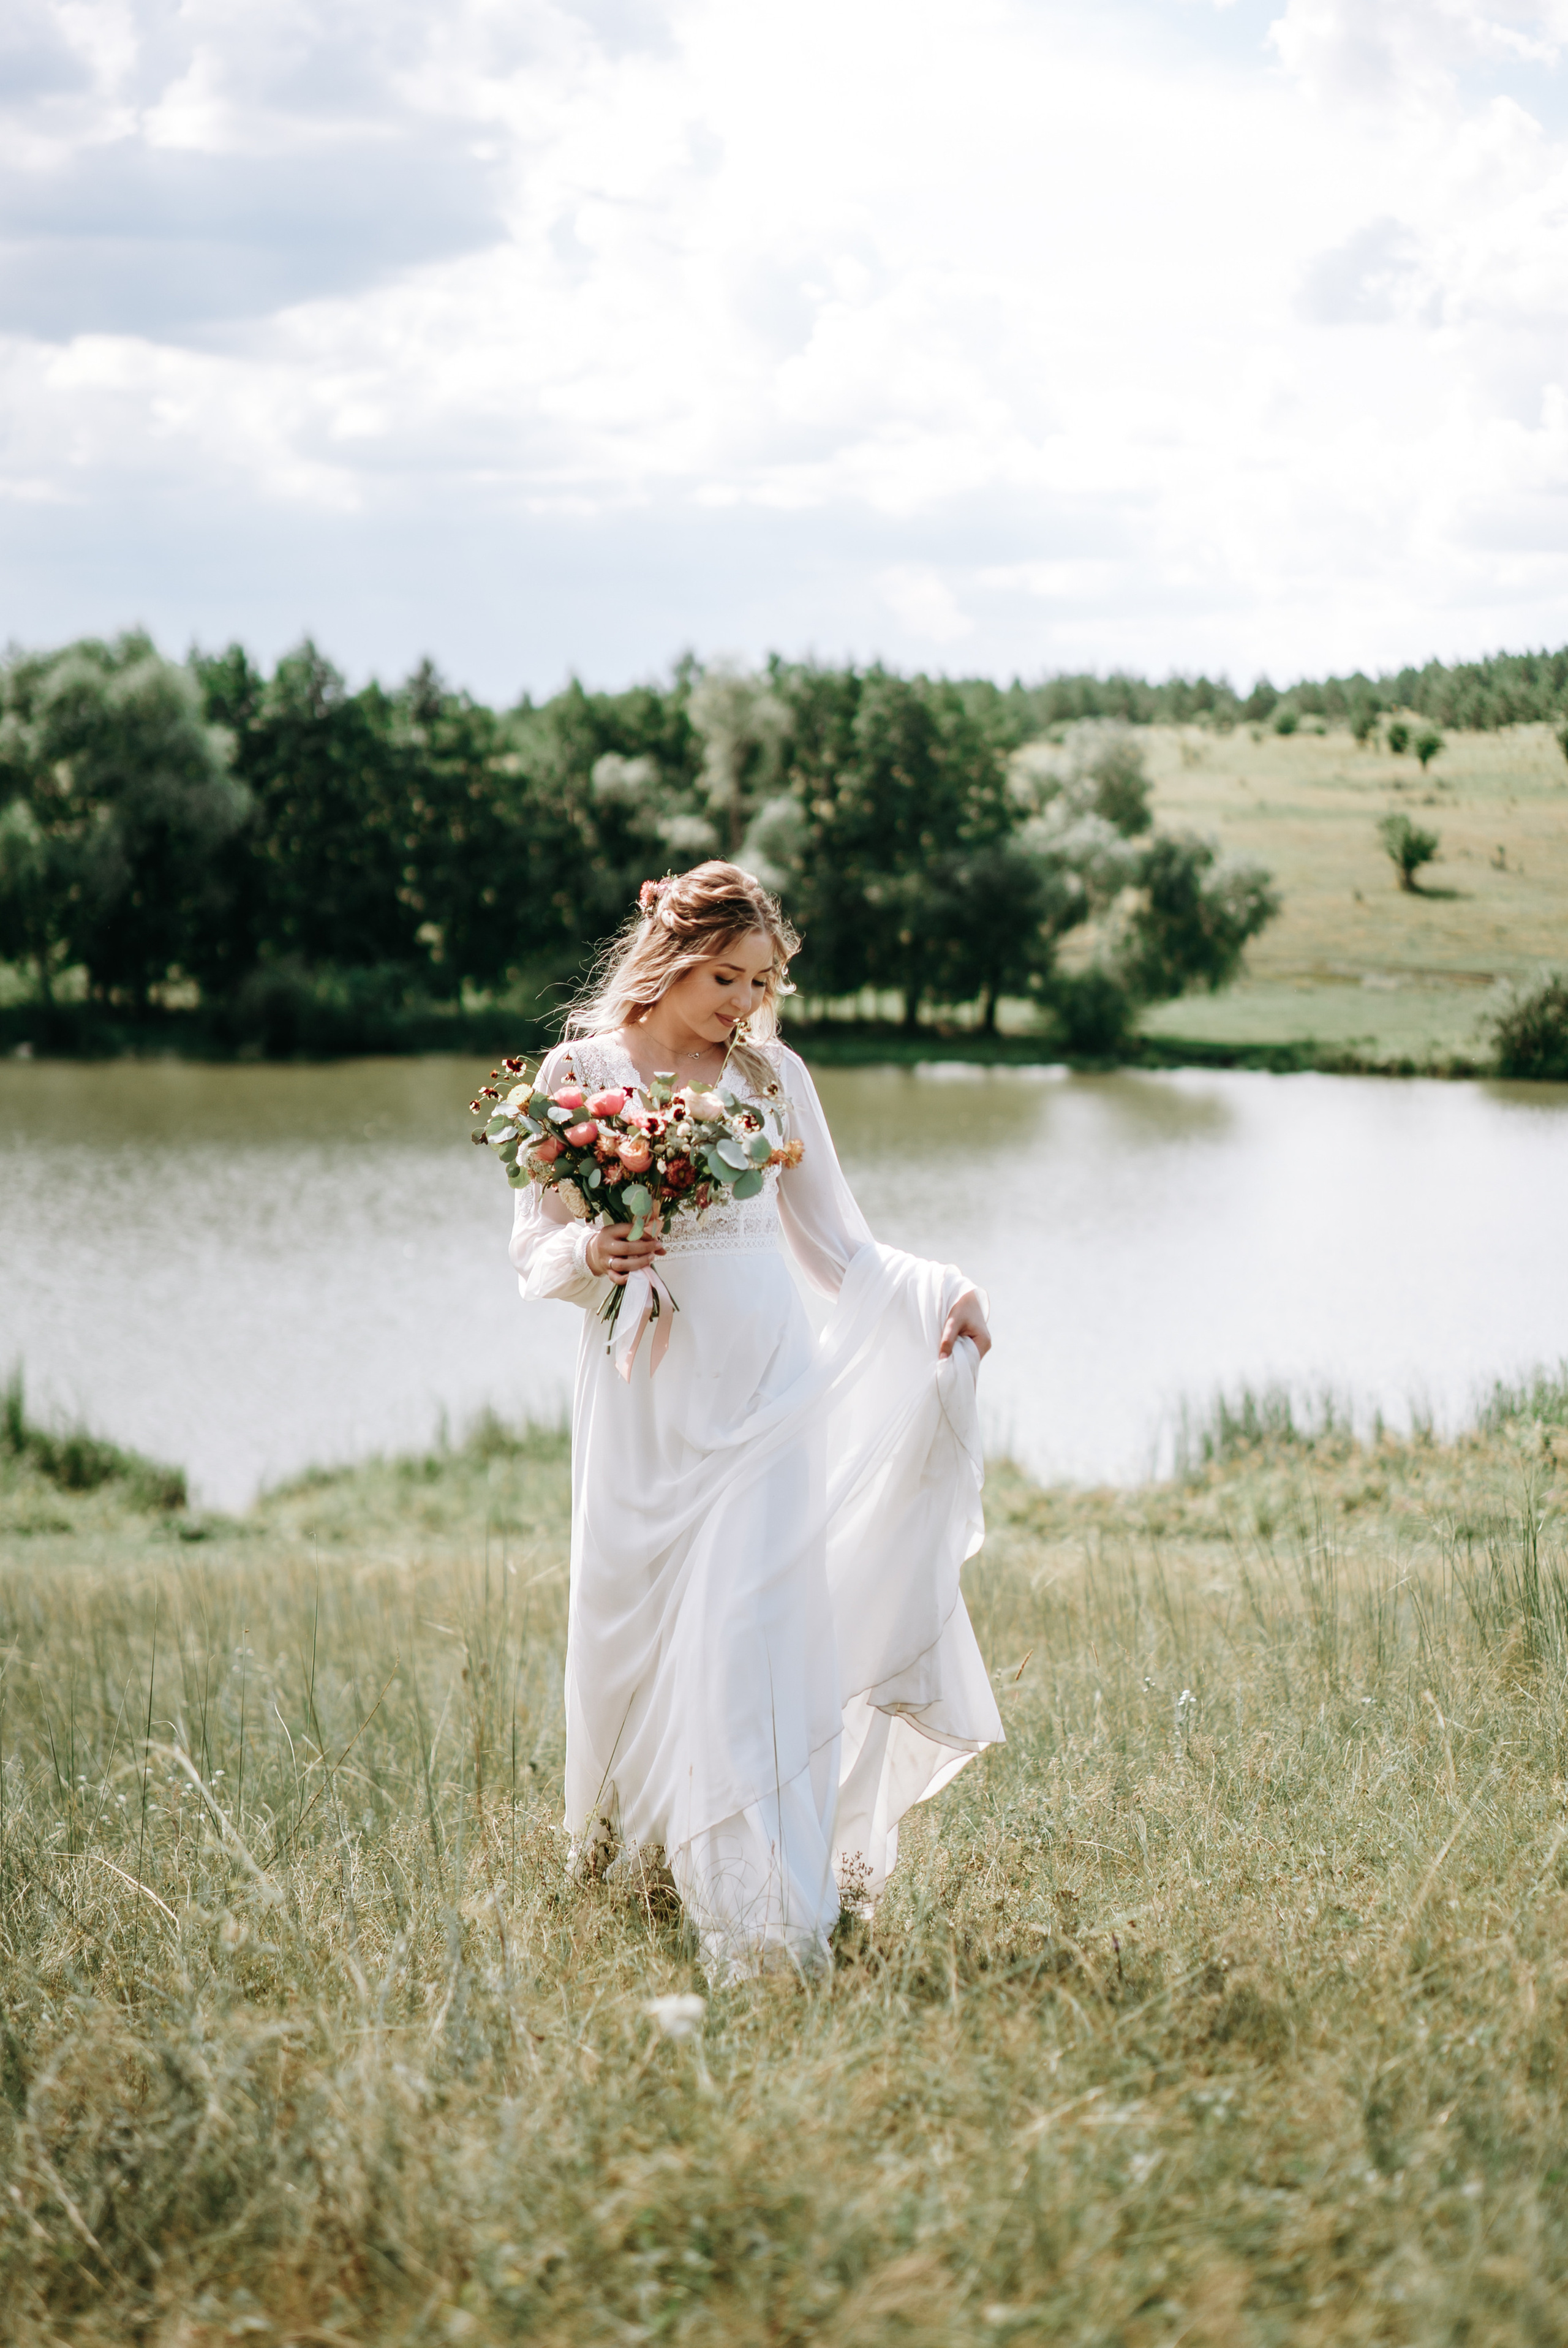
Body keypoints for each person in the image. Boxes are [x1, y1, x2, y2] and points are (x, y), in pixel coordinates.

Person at [508, 860, 1002, 1980]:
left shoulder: (772, 1078)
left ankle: (768, 1902)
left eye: (761, 979)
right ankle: (631, 1864)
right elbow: (531, 1244)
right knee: (632, 1615)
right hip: (647, 1387)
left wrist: (941, 1290)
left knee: (753, 1632)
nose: (744, 1001)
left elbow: (835, 1243)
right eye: (726, 977)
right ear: (671, 959)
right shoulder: (578, 1073)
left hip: (772, 1388)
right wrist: (592, 1249)